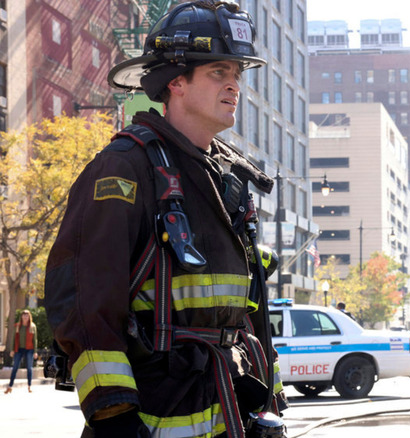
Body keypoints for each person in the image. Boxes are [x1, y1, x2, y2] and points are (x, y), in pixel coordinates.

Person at [44, 2, 286, 437]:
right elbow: (82, 297)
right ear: (176, 81)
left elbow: (248, 306)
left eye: (237, 74)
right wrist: (114, 415)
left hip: (225, 408)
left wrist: (270, 395)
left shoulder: (226, 177)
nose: (234, 86)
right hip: (152, 415)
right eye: (218, 73)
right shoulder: (124, 168)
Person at [4, 309, 39, 394]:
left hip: (29, 349)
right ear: (21, 316)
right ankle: (10, 386)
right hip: (18, 349)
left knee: (29, 368)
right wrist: (12, 350)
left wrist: (35, 351)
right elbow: (13, 338)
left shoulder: (32, 326)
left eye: (27, 315)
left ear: (29, 316)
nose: (25, 316)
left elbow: (35, 340)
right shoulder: (17, 326)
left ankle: (29, 386)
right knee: (15, 367)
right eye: (24, 315)